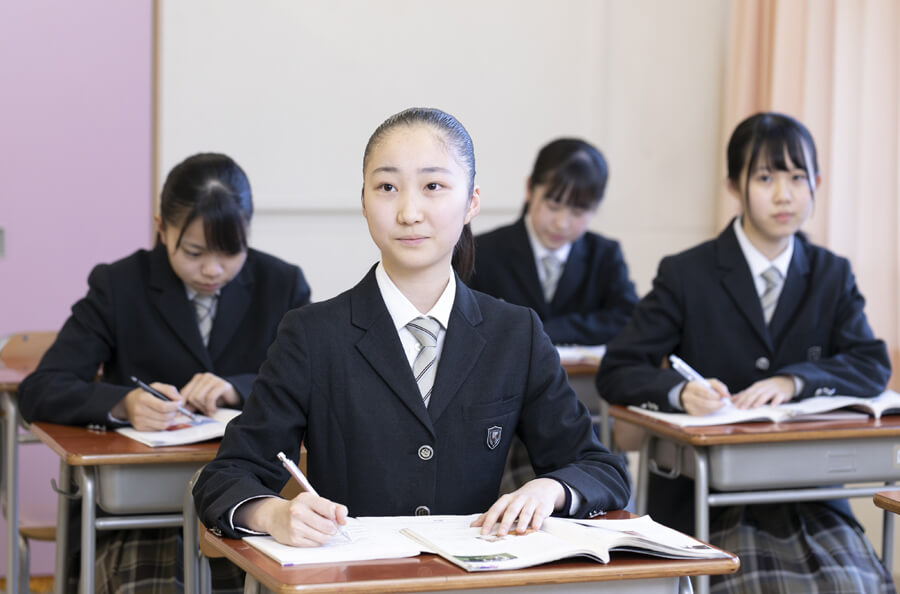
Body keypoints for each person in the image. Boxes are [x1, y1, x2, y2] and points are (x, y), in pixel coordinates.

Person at [193, 107, 630, 549]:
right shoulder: (310, 335)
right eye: (387, 187)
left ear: (472, 202)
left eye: (433, 186)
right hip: (354, 580)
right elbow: (225, 477)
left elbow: (602, 469)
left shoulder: (517, 333)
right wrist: (274, 513)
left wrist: (549, 489)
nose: (408, 211)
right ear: (363, 200)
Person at [596, 112, 894, 593]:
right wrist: (681, 393)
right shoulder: (687, 273)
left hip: (810, 497)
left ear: (816, 184)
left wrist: (792, 381)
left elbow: (872, 364)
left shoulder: (830, 273)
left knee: (857, 584)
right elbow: (618, 369)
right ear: (735, 185)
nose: (784, 194)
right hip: (711, 499)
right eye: (765, 177)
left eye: (798, 177)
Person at [20, 153, 311, 593]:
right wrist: (123, 403)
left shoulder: (282, 283)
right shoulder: (119, 285)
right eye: (194, 252)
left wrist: (239, 387)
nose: (213, 270)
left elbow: (313, 387)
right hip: (140, 512)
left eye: (230, 251)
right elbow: (40, 389)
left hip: (250, 506)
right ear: (162, 227)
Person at [469, 138, 637, 346]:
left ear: (596, 207)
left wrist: (555, 330)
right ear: (530, 189)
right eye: (553, 206)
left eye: (578, 211)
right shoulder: (482, 251)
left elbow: (628, 318)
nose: (561, 224)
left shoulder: (604, 255)